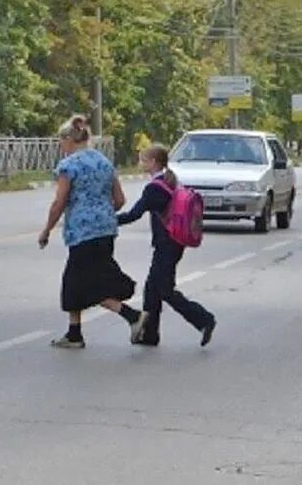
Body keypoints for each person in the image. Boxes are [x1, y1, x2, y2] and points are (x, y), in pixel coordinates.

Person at [39, 115, 147, 349]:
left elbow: (59, 202)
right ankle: (74, 333)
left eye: (61, 141)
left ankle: (133, 316)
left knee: (88, 283)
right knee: (74, 281)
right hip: (106, 230)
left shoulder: (69, 166)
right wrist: (102, 213)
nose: (61, 146)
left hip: (82, 233)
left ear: (69, 139)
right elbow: (119, 200)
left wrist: (46, 230)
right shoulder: (104, 163)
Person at [117, 144, 216, 347]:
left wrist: (108, 221)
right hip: (175, 242)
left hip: (166, 244)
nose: (141, 163)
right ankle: (149, 334)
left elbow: (133, 214)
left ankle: (203, 319)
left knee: (165, 290)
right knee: (152, 288)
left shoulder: (154, 188)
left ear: (153, 162)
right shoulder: (170, 181)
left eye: (144, 160)